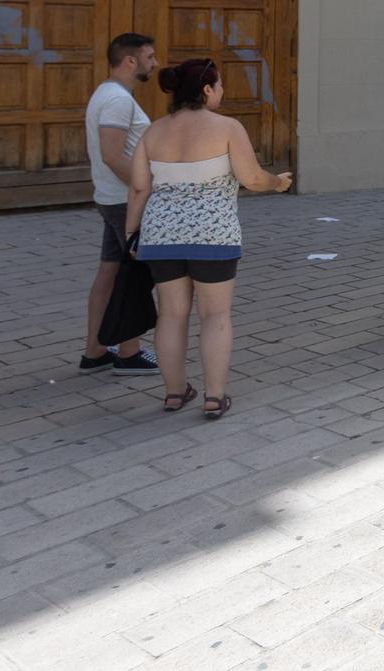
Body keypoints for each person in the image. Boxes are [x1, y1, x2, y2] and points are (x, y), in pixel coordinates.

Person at [125, 58, 292, 419]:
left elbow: (139, 188)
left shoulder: (152, 132)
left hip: (161, 235)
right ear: (206, 90)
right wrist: (277, 182)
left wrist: (131, 234)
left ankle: (173, 392)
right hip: (213, 235)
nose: (222, 92)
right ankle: (214, 396)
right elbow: (251, 178)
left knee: (170, 315)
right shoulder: (228, 127)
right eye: (218, 86)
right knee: (215, 315)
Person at [80, 32, 161, 376]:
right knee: (135, 276)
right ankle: (129, 352)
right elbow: (113, 155)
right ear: (131, 61)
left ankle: (95, 351)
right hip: (124, 202)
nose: (155, 63)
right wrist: (148, 188)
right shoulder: (117, 100)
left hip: (112, 198)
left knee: (110, 273)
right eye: (150, 57)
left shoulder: (110, 94)